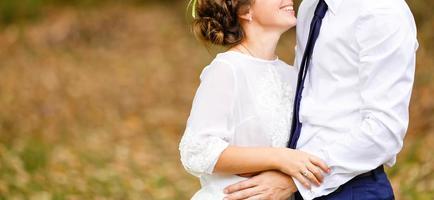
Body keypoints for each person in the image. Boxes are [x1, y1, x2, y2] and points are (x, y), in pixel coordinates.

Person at [222, 0, 418, 199]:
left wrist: (297, 180)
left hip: (350, 188)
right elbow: (305, 101)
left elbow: (384, 130)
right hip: (297, 184)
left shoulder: (381, 11)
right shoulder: (310, 6)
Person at [178, 0, 330, 199]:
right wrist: (279, 158)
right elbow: (197, 151)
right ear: (246, 11)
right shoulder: (226, 69)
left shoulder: (291, 74)